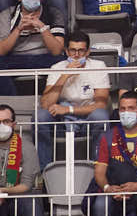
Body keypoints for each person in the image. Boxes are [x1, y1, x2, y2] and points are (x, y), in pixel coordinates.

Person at [38, 31, 111, 168]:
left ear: (88, 52)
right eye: (72, 50)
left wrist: (68, 109)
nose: (76, 55)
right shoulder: (57, 68)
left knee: (101, 116)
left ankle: (100, 168)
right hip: (62, 121)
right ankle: (44, 171)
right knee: (40, 116)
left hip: (87, 118)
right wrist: (64, 75)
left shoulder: (98, 66)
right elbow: (46, 104)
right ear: (66, 51)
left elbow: (101, 105)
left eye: (81, 51)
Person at [0, 0, 66, 95]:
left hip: (45, 58)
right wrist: (18, 30)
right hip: (16, 59)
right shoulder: (7, 15)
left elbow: (57, 50)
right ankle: (11, 102)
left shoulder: (54, 14)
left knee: (63, 62)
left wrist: (42, 28)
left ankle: (51, 101)